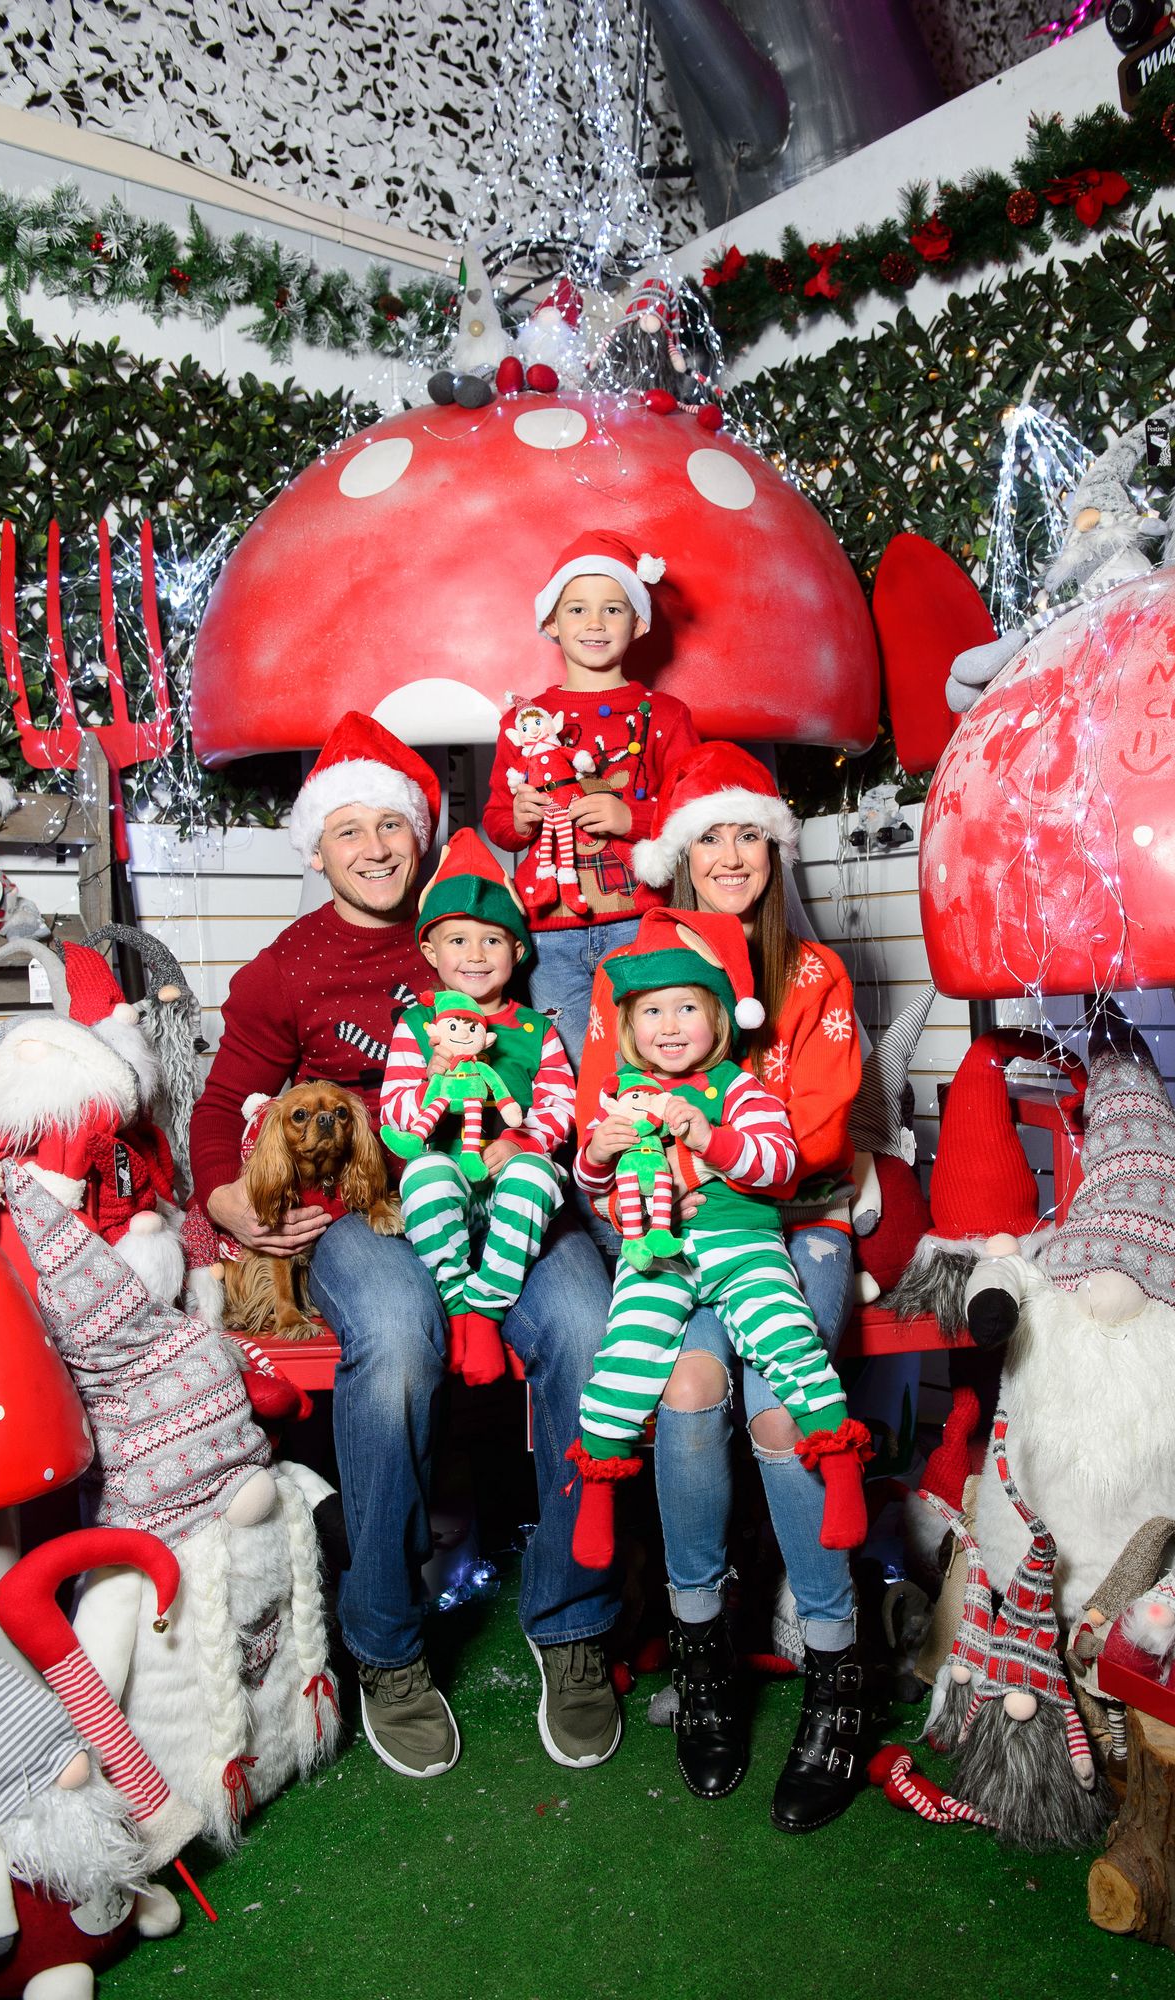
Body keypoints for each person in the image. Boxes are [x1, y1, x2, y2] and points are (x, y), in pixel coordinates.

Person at [190, 712, 623, 1781]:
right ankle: (385, 1641)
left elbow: (557, 1054)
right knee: (394, 1332)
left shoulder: (477, 925)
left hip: (507, 1184)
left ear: (423, 834)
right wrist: (228, 1204)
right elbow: (213, 1114)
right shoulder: (282, 972)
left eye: (395, 822)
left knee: (581, 1319)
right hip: (363, 1212)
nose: (377, 846)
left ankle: (571, 1623)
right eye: (351, 830)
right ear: (315, 847)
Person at [575, 740, 864, 1833]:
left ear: (774, 849)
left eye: (750, 831)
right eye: (710, 834)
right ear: (677, 855)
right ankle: (702, 1651)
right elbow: (603, 1120)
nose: (732, 852)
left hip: (795, 1220)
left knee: (785, 1412)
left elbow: (819, 1134)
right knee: (687, 1391)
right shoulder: (629, 972)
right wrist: (620, 1160)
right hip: (676, 1230)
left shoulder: (812, 974)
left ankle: (836, 1671)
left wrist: (720, 1139)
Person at [567, 906, 870, 1575]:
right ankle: (595, 1488)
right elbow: (593, 1184)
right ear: (627, 1028)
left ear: (720, 1020)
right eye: (650, 1013)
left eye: (685, 1010)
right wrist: (598, 1150)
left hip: (741, 1245)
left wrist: (710, 1139)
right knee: (625, 1353)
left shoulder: (740, 1088)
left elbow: (780, 1164)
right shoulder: (624, 1094)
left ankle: (840, 1467)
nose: (668, 1027)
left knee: (785, 1338)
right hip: (659, 1254)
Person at [481, 528, 699, 1072]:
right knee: (571, 1063)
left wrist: (636, 817)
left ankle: (646, 1154)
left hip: (639, 917)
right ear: (551, 622)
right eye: (577, 609)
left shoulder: (667, 715)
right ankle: (584, 1157)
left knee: (648, 1056)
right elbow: (498, 824)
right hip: (548, 928)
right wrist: (519, 817)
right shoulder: (521, 721)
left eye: (612, 609)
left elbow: (698, 816)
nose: (595, 623)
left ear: (640, 622)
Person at [380, 829, 573, 1389]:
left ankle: (486, 1311)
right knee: (424, 1175)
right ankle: (457, 1302)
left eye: (491, 941)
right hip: (449, 1182)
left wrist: (521, 1141)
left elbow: (560, 1102)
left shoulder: (537, 1031)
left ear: (517, 952)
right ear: (429, 951)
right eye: (457, 941)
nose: (474, 955)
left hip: (509, 1185)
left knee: (537, 1173)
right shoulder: (417, 1027)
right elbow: (395, 1111)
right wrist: (431, 1082)